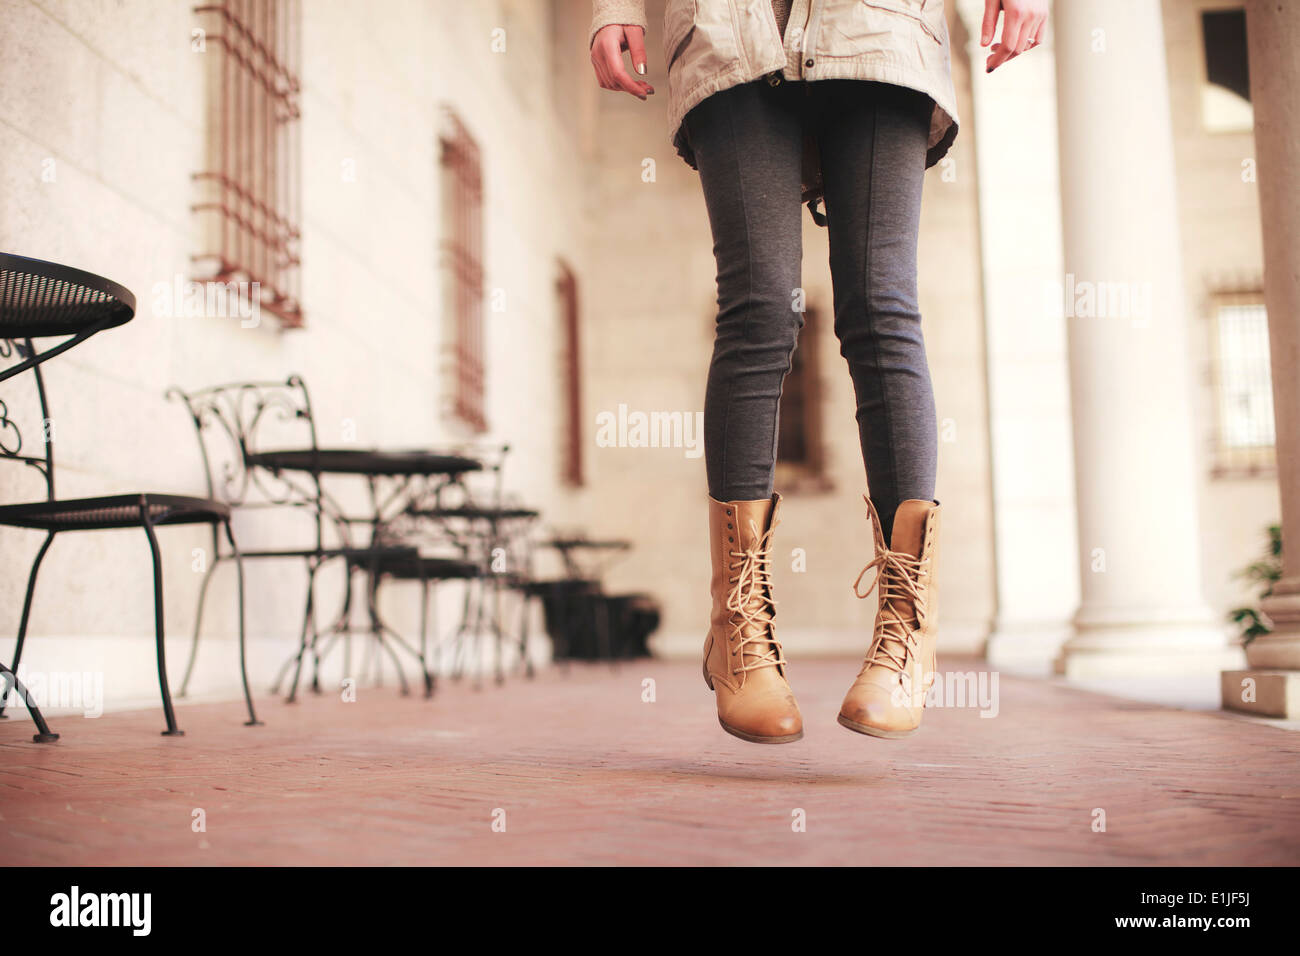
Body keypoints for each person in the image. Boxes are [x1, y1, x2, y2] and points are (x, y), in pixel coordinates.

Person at [589, 0, 1047, 744]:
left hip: (881, 23)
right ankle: (737, 625)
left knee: (879, 307)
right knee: (760, 308)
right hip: (730, 25)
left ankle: (908, 625)